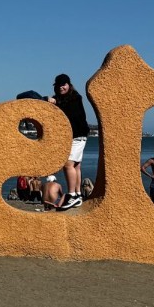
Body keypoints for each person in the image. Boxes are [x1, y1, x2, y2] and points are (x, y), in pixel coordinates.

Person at [46, 73, 91, 209]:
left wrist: (56, 103)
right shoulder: (58, 99)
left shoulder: (75, 98)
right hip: (74, 136)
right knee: (76, 165)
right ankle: (77, 194)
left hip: (77, 135)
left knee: (67, 165)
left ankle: (71, 195)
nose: (61, 87)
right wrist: (47, 99)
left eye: (63, 85)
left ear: (69, 85)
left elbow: (71, 114)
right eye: (58, 85)